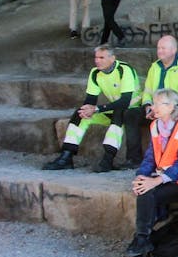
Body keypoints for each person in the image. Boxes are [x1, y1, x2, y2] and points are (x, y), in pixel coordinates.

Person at [112, 88, 178, 257]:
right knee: (145, 188)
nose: (155, 107)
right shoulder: (156, 125)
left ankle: (141, 240)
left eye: (160, 104)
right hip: (172, 179)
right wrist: (141, 176)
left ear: (173, 106)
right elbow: (151, 157)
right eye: (154, 103)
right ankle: (142, 240)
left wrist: (155, 181)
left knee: (149, 191)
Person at [42, 44, 143, 172]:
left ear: (112, 58)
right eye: (96, 57)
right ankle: (66, 157)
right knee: (80, 113)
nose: (97, 61)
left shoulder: (124, 69)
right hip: (114, 108)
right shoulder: (95, 73)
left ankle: (107, 159)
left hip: (132, 110)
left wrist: (97, 109)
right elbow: (90, 100)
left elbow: (125, 101)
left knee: (119, 112)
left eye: (101, 58)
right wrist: (87, 110)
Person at [141, 36, 178, 122]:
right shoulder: (154, 67)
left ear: (173, 50)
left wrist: (164, 107)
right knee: (131, 114)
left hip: (175, 108)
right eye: (158, 48)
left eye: (163, 48)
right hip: (154, 107)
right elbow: (147, 91)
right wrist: (148, 106)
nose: (159, 51)